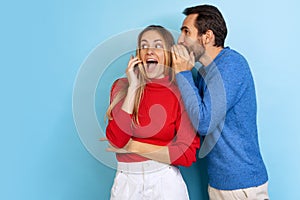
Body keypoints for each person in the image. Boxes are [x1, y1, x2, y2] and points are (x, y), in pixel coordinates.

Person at [170, 4, 269, 200]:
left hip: (242, 186)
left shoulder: (231, 65)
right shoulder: (204, 73)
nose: (180, 40)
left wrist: (182, 72)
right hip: (219, 183)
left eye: (186, 32)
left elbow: (204, 123)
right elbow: (192, 117)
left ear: (207, 36)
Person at [105, 25, 200, 200]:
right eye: (144, 46)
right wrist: (133, 87)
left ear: (168, 55)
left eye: (157, 46)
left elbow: (186, 154)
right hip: (127, 182)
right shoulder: (121, 87)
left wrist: (134, 146)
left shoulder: (180, 93)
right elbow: (117, 140)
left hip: (165, 182)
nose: (149, 51)